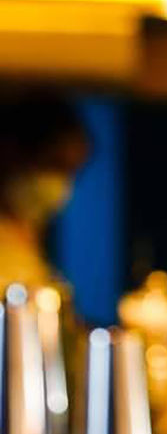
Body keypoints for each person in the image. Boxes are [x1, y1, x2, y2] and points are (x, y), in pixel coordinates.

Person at [0, 87, 89, 290]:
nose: (61, 184)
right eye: (54, 165)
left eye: (70, 172)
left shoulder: (26, 234)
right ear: (10, 152)